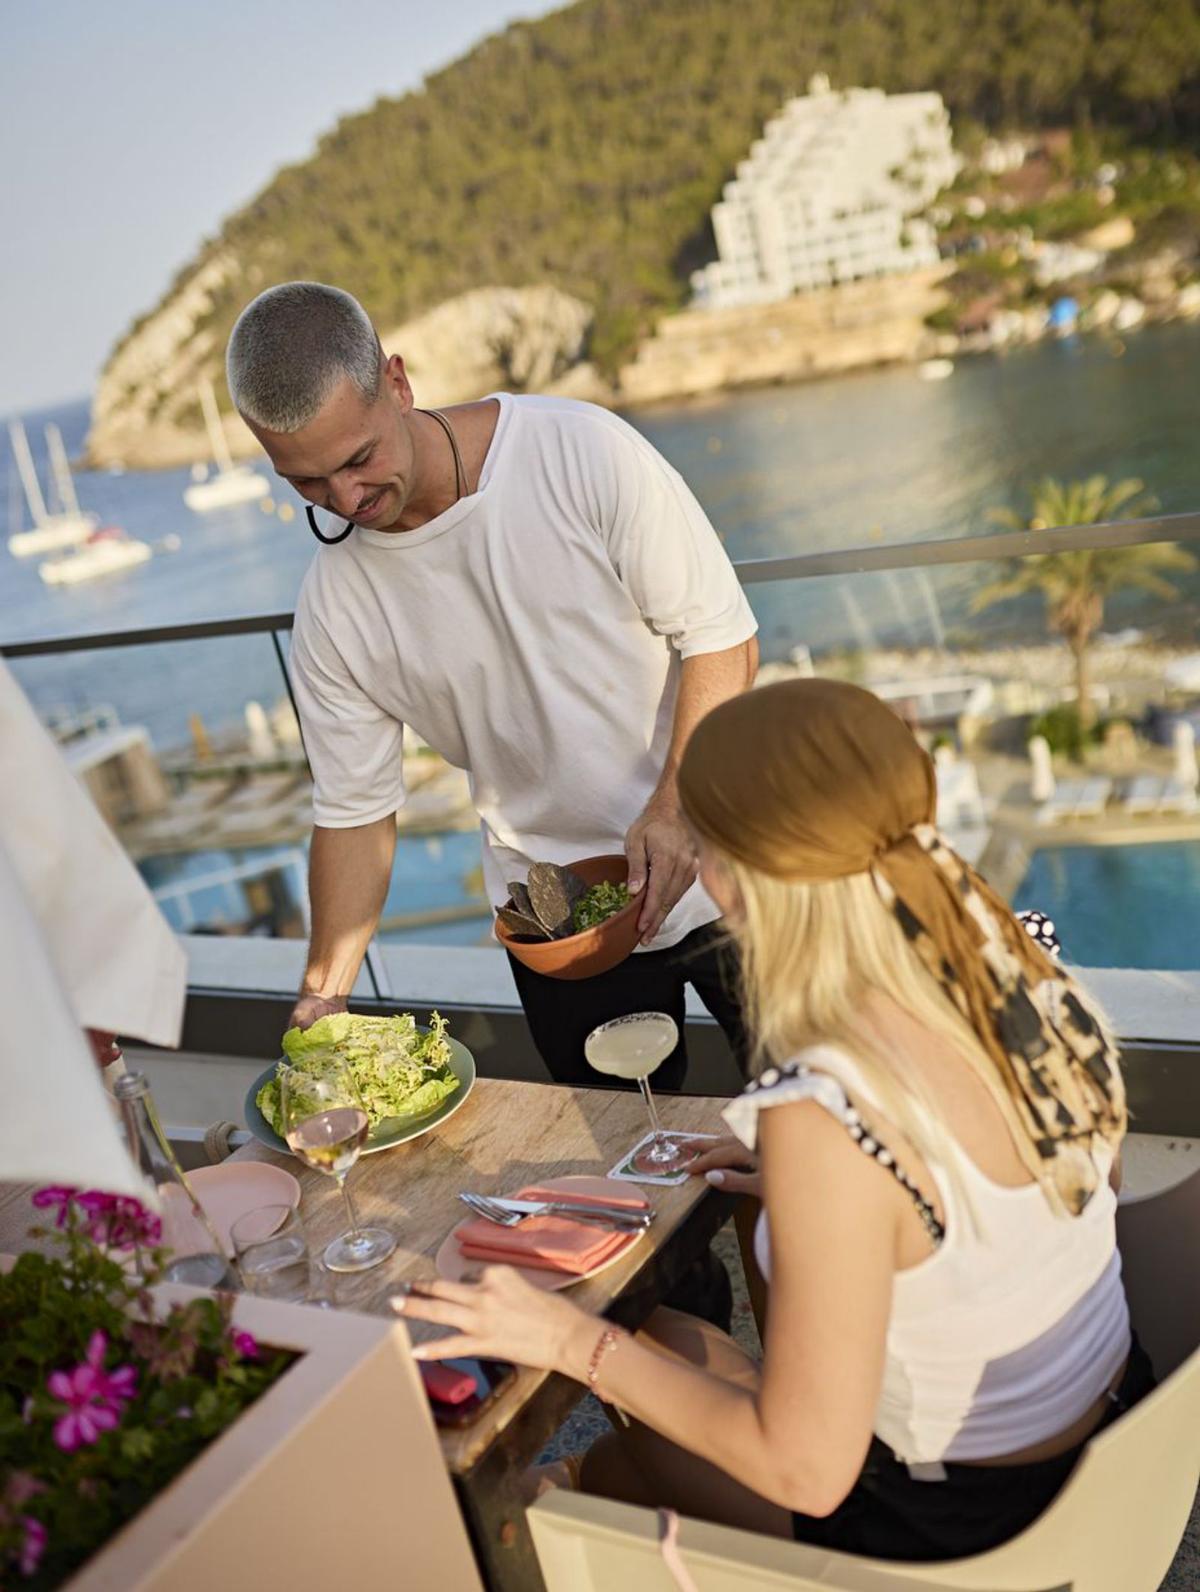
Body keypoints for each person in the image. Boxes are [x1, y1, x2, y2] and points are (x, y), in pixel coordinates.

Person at [396, 679, 1151, 1563]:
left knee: (619, 1346)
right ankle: (570, 1498)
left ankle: (554, 1521)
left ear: (728, 873)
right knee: (672, 1348)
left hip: (957, 1536)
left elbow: (806, 1473)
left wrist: (567, 1342)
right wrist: (869, 1213)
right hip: (1110, 1443)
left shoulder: (828, 1116)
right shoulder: (1024, 969)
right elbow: (1067, 1204)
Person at [225, 282, 757, 1090]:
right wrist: (322, 997)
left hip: (731, 860)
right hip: (554, 916)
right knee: (626, 1174)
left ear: (398, 384)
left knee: (814, 1138)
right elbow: (356, 813)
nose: (346, 502)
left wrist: (677, 805)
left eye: (358, 459)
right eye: (307, 486)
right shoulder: (334, 608)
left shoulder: (580, 451)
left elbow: (721, 636)